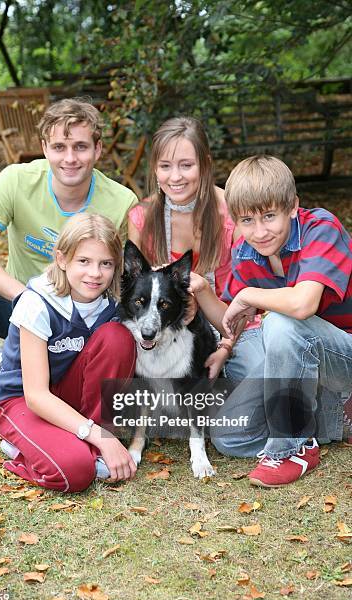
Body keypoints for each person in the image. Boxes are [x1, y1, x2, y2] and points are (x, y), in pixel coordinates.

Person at [0, 98, 137, 434]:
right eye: (59, 146)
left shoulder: (122, 201)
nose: (70, 158)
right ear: (44, 147)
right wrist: (28, 297)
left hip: (84, 317)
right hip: (21, 308)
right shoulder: (16, 180)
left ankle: (88, 407)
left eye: (80, 146)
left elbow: (137, 276)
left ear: (99, 149)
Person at [191, 155, 351, 487]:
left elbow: (303, 304)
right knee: (228, 435)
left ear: (292, 206)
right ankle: (335, 416)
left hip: (344, 352)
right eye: (247, 220)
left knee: (280, 323)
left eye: (269, 216)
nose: (260, 232)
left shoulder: (321, 228)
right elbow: (232, 316)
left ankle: (294, 447)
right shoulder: (246, 253)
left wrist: (250, 296)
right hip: (307, 363)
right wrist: (206, 294)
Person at [0, 213, 137, 491]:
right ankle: (22, 449)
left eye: (105, 264)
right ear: (62, 259)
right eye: (84, 261)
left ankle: (95, 444)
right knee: (75, 472)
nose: (95, 273)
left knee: (118, 338)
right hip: (23, 399)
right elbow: (36, 395)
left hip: (68, 394)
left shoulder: (112, 303)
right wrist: (97, 434)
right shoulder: (38, 302)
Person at [128, 116, 262, 380]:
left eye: (186, 165)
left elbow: (246, 302)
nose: (175, 177)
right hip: (163, 331)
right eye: (165, 166)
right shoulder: (142, 219)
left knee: (260, 374)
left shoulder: (233, 216)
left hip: (231, 326)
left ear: (205, 164)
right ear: (154, 168)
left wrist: (225, 347)